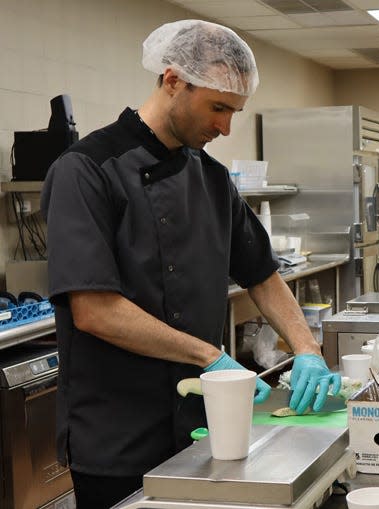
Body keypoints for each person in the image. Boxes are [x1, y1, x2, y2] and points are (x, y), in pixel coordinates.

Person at [41, 20, 340, 509]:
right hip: (118, 435)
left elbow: (262, 274)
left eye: (234, 112)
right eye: (218, 108)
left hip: (203, 426)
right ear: (173, 80)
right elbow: (94, 308)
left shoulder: (214, 179)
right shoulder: (86, 169)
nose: (225, 127)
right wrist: (208, 356)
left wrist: (307, 348)